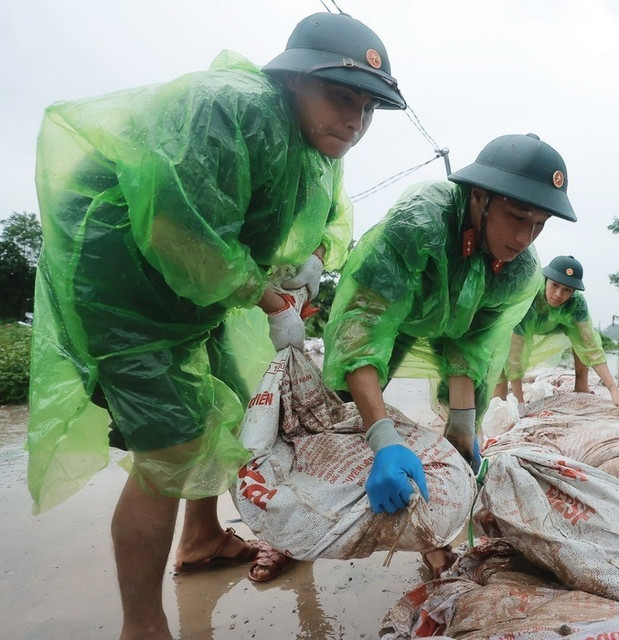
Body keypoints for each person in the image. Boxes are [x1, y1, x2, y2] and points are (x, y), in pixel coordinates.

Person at [27, 12, 405, 640]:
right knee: (169, 446)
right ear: (292, 81)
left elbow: (331, 217)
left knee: (228, 407)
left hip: (195, 294)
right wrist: (263, 295)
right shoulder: (230, 109)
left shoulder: (316, 152)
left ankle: (201, 537)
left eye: (368, 110)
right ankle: (142, 626)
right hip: (123, 282)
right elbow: (177, 228)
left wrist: (312, 263)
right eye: (342, 99)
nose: (355, 122)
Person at [322, 133, 576, 515]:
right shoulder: (421, 222)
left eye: (539, 224)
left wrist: (462, 423)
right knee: (343, 410)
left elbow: (471, 345)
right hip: (390, 315)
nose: (525, 238)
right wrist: (383, 436)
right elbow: (364, 328)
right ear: (478, 196)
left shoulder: (519, 270)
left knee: (462, 427)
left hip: (445, 326)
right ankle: (306, 525)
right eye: (517, 218)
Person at [494, 255, 619, 415]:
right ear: (546, 280)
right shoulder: (530, 296)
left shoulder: (576, 303)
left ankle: (581, 384)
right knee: (500, 375)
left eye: (567, 289)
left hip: (555, 326)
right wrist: (520, 401)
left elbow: (590, 347)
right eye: (555, 285)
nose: (558, 294)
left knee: (582, 339)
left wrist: (613, 390)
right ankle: (504, 401)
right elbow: (516, 350)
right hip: (516, 331)